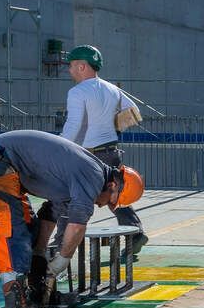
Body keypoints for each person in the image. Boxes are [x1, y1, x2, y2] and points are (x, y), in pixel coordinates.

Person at [0, 130, 144, 308]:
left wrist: (39, 251)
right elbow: (77, 224)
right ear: (113, 184)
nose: (105, 206)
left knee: (29, 234)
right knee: (11, 234)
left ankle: (34, 298)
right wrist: (62, 259)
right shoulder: (93, 176)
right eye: (112, 202)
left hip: (4, 165)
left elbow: (51, 213)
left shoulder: (84, 176)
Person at [61, 45, 148, 258]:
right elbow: (133, 111)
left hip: (89, 155)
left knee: (70, 200)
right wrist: (110, 123)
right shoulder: (112, 89)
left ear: (82, 66)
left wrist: (58, 148)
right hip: (112, 151)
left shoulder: (77, 91)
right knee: (115, 197)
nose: (69, 71)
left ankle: (59, 248)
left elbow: (73, 125)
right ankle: (136, 233)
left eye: (72, 66)